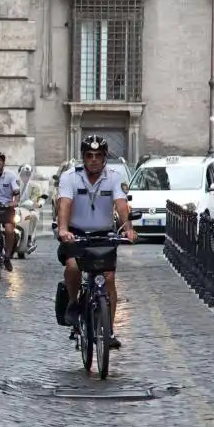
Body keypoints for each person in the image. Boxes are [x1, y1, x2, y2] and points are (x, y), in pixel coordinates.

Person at [56, 135, 137, 349]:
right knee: (73, 266)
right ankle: (73, 303)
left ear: (104, 158)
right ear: (83, 157)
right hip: (76, 234)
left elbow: (121, 205)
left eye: (98, 156)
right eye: (89, 156)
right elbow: (64, 204)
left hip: (103, 235)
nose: (93, 160)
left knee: (108, 278)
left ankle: (108, 331)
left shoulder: (115, 177)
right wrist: (63, 229)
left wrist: (128, 229)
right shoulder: (69, 177)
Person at [17, 164, 42, 248]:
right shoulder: (15, 185)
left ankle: (29, 237)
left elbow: (36, 199)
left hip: (29, 209)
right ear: (20, 174)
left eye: (28, 174)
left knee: (33, 216)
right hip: (16, 208)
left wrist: (35, 203)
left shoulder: (36, 186)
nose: (25, 176)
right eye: (23, 174)